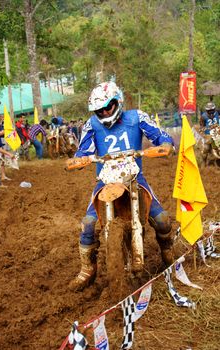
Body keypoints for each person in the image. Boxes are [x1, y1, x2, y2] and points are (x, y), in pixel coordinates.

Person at [69, 81, 175, 291]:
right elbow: (83, 151)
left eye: (108, 106)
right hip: (106, 180)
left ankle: (167, 250)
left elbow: (160, 135)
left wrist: (165, 143)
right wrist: (79, 160)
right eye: (100, 109)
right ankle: (87, 268)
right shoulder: (91, 124)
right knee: (88, 223)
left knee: (162, 220)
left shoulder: (136, 117)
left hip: (135, 177)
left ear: (117, 102)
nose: (105, 111)